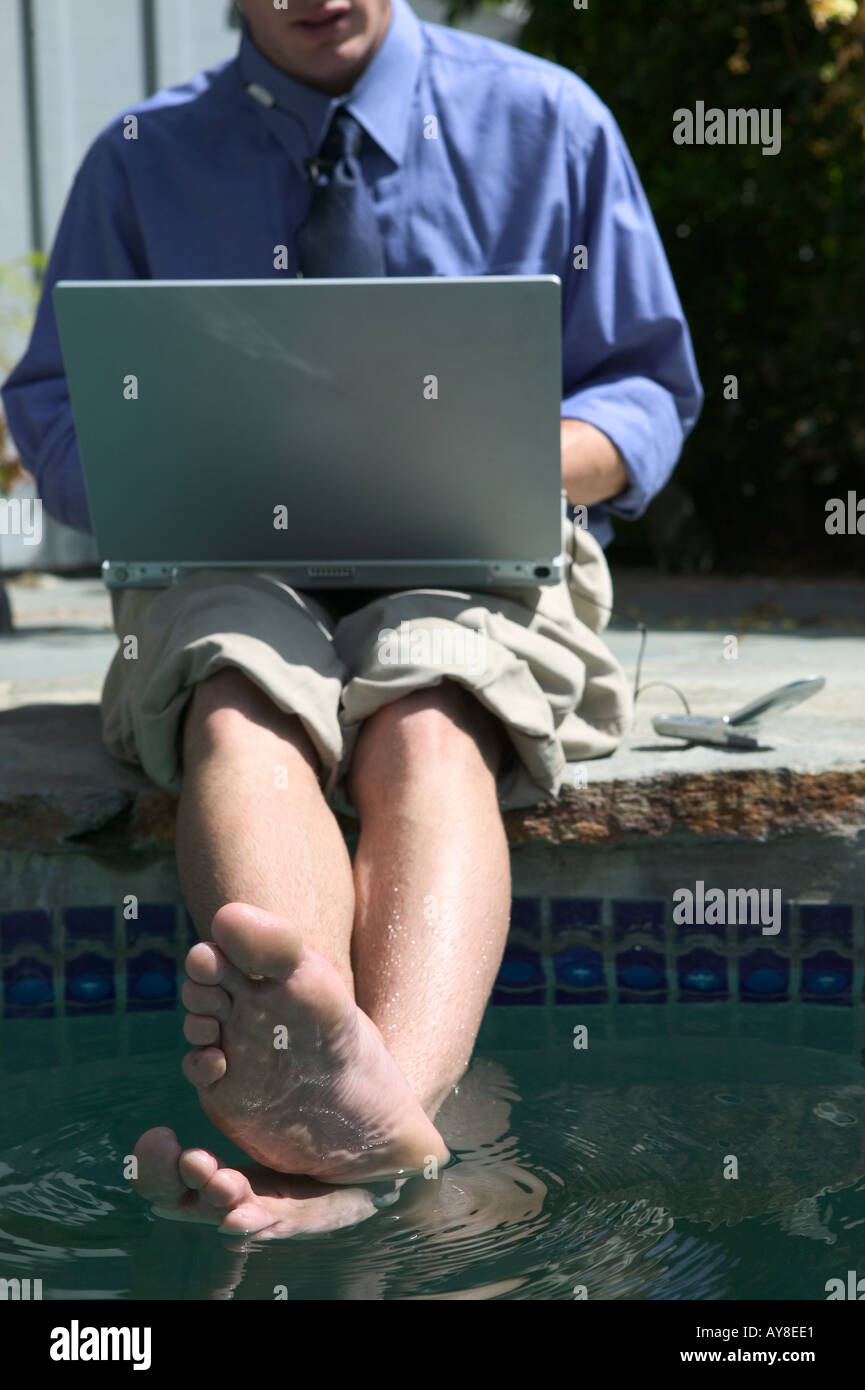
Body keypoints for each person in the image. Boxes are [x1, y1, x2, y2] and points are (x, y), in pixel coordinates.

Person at [1, 0, 702, 1237]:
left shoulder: (549, 122)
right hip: (221, 556)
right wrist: (165, 462)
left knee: (429, 717)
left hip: (480, 557)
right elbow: (54, 406)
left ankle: (359, 1133)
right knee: (238, 704)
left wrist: (502, 457)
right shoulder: (138, 155)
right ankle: (369, 1146)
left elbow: (645, 387)